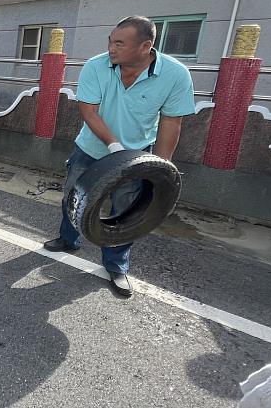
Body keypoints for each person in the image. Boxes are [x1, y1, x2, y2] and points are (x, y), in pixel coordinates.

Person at [43, 16, 195, 297]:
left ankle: (116, 265)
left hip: (135, 156)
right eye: (110, 41)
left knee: (126, 210)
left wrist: (160, 171)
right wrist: (112, 145)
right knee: (74, 197)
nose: (111, 48)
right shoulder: (96, 66)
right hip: (91, 149)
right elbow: (88, 110)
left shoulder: (176, 75)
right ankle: (68, 239)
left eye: (119, 43)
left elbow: (171, 123)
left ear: (145, 46)